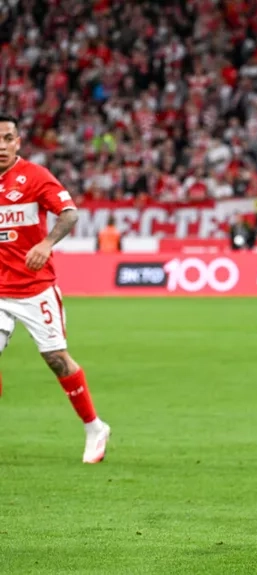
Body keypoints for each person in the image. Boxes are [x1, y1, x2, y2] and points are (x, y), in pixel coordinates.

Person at [0, 114, 111, 463]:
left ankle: (94, 427)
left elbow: (69, 213)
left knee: (57, 360)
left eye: (7, 138)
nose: (1, 146)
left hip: (35, 288)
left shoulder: (34, 177)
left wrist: (46, 243)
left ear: (18, 142)